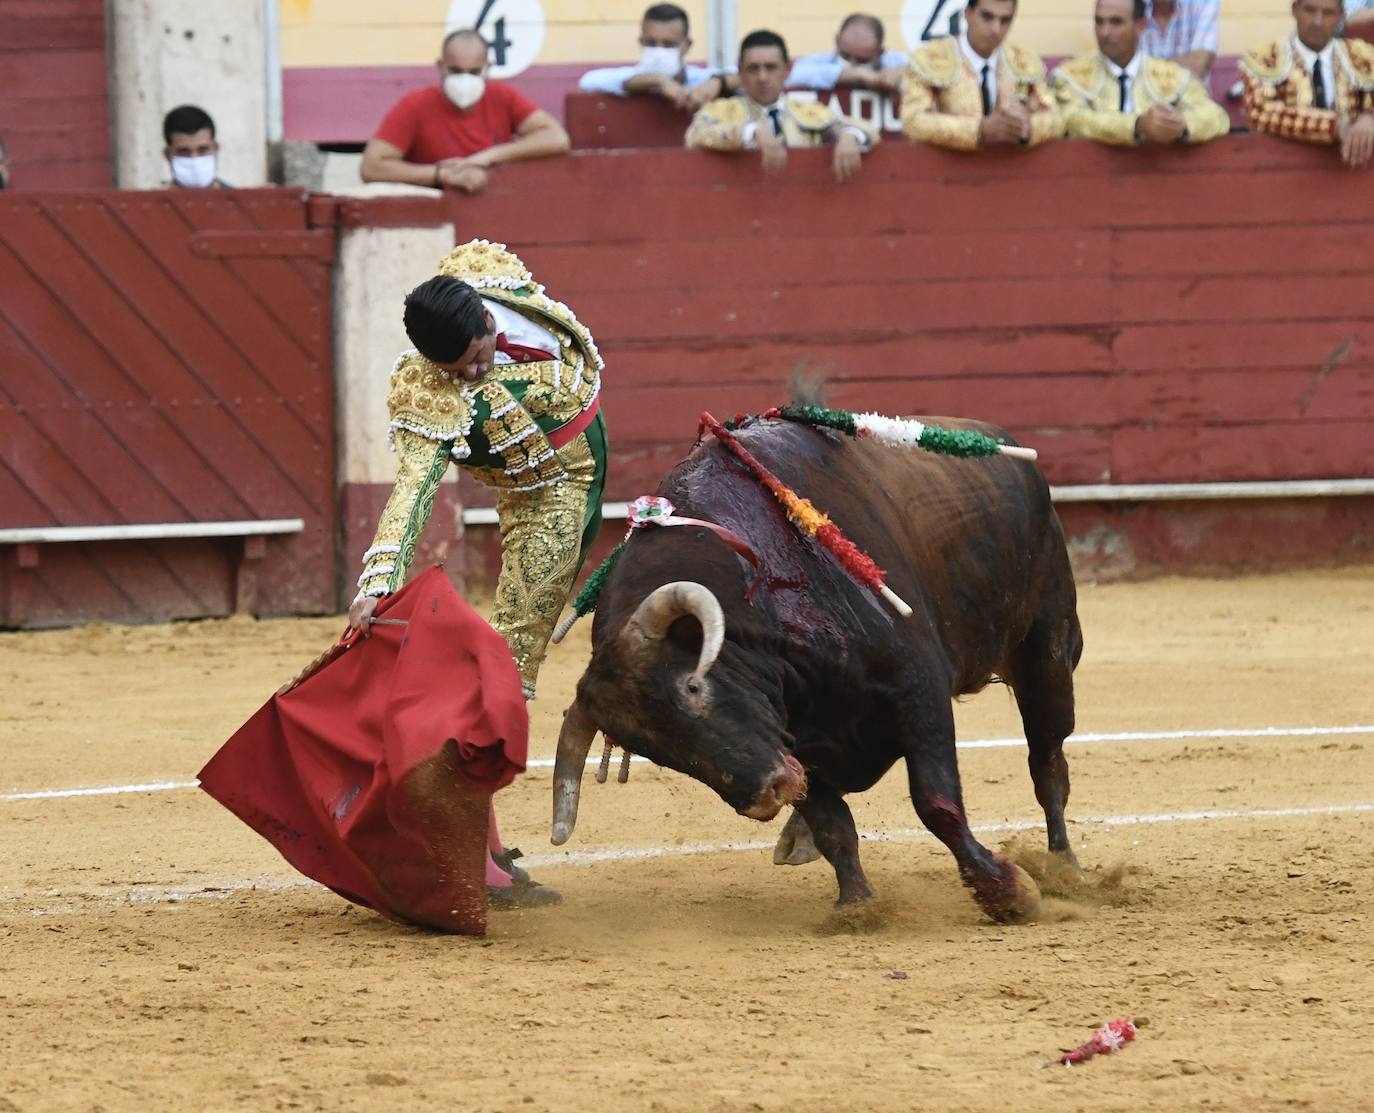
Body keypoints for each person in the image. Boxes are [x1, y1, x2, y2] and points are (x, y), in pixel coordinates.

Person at [348, 239, 609, 908]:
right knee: (502, 681)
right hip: (546, 501)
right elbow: (412, 490)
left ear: (489, 319)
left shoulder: (485, 275)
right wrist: (379, 581)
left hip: (582, 469)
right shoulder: (428, 393)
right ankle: (474, 849)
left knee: (500, 676)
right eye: (458, 369)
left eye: (477, 356)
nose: (473, 372)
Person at [361, 29, 570, 194]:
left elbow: (556, 138)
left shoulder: (502, 96)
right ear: (441, 66)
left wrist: (487, 157)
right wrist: (441, 174)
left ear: (487, 68)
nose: (464, 79)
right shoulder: (415, 105)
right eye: (456, 71)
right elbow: (372, 167)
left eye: (474, 72)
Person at [685, 30, 880, 183]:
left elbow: (870, 129)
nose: (762, 77)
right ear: (740, 72)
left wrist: (849, 135)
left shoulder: (808, 111)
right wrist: (751, 131)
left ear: (787, 70)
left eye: (771, 67)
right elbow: (694, 135)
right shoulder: (721, 110)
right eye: (753, 68)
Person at [1052, 0, 1230, 145]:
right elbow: (1071, 119)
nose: (1105, 32)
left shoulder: (1170, 76)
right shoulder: (1070, 76)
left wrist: (1181, 124)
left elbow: (1216, 116)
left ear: (1141, 25)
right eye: (1099, 22)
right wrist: (1136, 126)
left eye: (1116, 22)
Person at [901, 0, 1063, 150]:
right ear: (967, 13)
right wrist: (980, 130)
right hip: (951, 167)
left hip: (1009, 168)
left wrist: (1027, 127)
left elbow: (1057, 118)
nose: (996, 29)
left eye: (1005, 20)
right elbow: (913, 121)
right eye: (987, 17)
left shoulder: (1024, 61)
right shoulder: (930, 59)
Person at [1240, 0, 1374, 168]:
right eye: (1310, 10)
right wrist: (1334, 127)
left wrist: (1369, 118)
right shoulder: (1266, 58)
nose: (1317, 22)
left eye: (1328, 13)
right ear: (1295, 10)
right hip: (1283, 172)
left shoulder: (1363, 57)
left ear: (1341, 16)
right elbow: (1259, 111)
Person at [579, 3, 731, 111]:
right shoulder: (631, 76)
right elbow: (588, 81)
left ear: (687, 45)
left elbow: (738, 75)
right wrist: (659, 81)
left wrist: (718, 82)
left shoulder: (699, 79)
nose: (659, 50)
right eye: (651, 43)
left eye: (668, 44)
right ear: (641, 41)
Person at [787, 12, 910, 94]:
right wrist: (856, 74)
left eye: (862, 60)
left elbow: (919, 65)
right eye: (845, 56)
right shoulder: (820, 61)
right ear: (837, 41)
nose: (851, 64)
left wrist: (907, 73)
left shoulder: (894, 63)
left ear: (881, 52)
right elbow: (787, 76)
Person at [1139, 0, 1219, 78]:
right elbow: (1130, 68)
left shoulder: (1204, 2)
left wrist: (1146, 69)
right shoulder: (1133, 4)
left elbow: (1198, 66)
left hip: (1189, 88)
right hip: (1137, 88)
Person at [163, 105, 232, 189]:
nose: (194, 158)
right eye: (184, 152)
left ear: (216, 149)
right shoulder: (153, 197)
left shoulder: (240, 197)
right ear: (167, 154)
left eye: (203, 150)